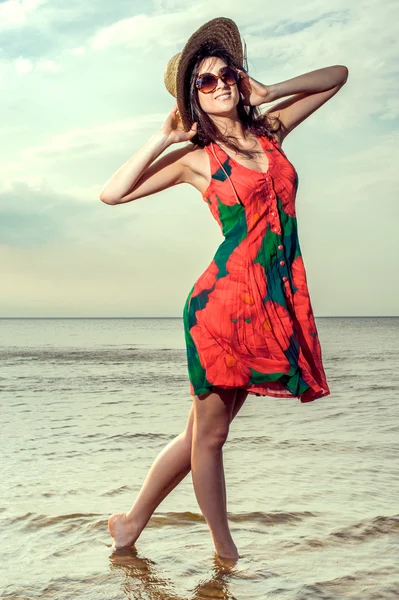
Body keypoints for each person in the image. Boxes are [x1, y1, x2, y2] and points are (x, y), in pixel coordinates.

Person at [100, 17, 348, 561]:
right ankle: (225, 553)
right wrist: (165, 135)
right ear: (194, 100)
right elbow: (113, 193)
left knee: (199, 434)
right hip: (221, 306)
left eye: (226, 73)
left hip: (268, 304)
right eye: (205, 82)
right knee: (210, 438)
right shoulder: (196, 160)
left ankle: (131, 523)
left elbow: (338, 76)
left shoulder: (272, 133)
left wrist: (273, 91)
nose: (221, 85)